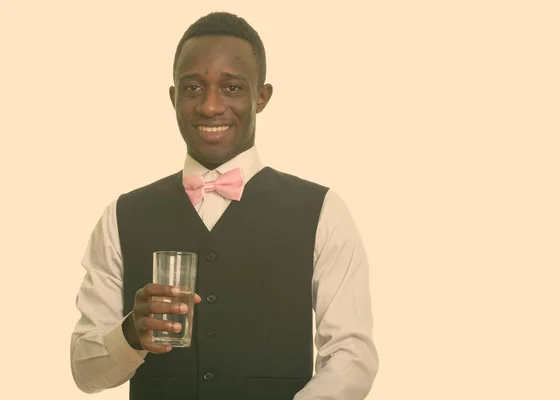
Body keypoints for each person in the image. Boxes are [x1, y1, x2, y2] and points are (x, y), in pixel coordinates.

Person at [70, 11, 378, 400]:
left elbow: (352, 356)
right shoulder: (121, 216)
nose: (210, 107)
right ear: (173, 97)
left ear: (261, 97)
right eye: (193, 88)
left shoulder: (323, 211)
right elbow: (86, 372)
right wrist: (130, 334)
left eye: (231, 88)